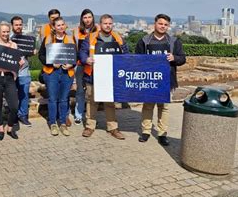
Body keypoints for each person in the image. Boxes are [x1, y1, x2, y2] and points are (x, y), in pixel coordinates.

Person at [135, 13, 186, 146]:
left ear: (168, 26)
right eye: (160, 23)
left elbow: (182, 58)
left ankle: (162, 133)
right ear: (155, 24)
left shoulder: (174, 42)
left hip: (167, 79)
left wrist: (174, 58)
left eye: (165, 25)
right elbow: (137, 60)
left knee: (164, 107)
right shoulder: (144, 41)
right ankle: (146, 131)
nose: (163, 26)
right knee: (148, 105)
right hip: (149, 79)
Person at [79, 14, 129, 140]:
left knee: (109, 102)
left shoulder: (118, 38)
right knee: (92, 102)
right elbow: (82, 52)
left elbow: (126, 53)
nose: (108, 25)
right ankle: (90, 126)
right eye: (105, 23)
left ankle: (113, 127)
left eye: (110, 23)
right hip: (93, 75)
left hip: (111, 76)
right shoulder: (91, 37)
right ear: (100, 25)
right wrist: (86, 59)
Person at [38, 17, 75, 136]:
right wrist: (51, 63)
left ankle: (63, 123)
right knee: (53, 99)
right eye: (58, 25)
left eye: (62, 24)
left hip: (66, 73)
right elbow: (41, 56)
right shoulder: (48, 39)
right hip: (52, 73)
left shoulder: (70, 39)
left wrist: (71, 64)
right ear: (53, 27)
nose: (61, 27)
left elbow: (76, 56)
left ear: (65, 26)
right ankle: (53, 123)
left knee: (64, 99)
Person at [0, 21, 22, 140]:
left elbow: (16, 63)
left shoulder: (14, 45)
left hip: (9, 77)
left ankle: (10, 128)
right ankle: (0, 128)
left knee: (14, 106)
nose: (6, 34)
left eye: (7, 31)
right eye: (3, 32)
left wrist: (20, 63)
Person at [71, 9, 97, 125]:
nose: (87, 19)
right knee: (80, 91)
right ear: (82, 19)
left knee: (94, 92)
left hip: (94, 65)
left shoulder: (98, 30)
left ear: (93, 18)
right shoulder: (76, 31)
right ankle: (78, 114)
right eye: (85, 17)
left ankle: (92, 116)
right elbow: (74, 48)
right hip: (81, 65)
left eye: (89, 17)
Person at [11, 16, 35, 126]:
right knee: (12, 96)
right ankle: (14, 116)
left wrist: (33, 51)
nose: (18, 27)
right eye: (16, 25)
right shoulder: (8, 39)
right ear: (12, 26)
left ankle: (23, 115)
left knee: (24, 95)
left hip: (24, 72)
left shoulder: (27, 40)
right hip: (11, 73)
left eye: (20, 24)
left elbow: (28, 53)